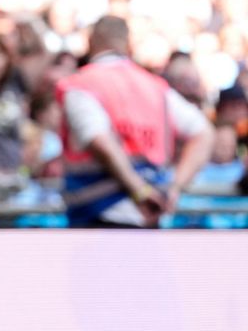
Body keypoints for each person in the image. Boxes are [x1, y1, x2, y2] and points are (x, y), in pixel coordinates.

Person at [55, 16, 214, 228]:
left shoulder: (80, 85)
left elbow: (100, 142)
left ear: (91, 42)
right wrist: (174, 187)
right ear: (128, 44)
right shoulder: (156, 87)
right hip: (149, 213)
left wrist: (139, 190)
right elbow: (204, 133)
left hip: (98, 215)